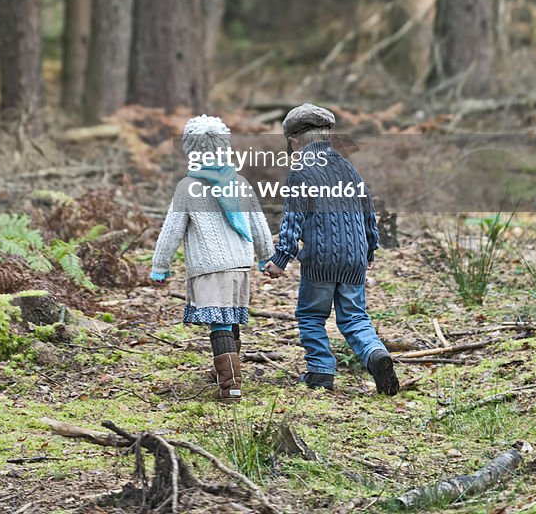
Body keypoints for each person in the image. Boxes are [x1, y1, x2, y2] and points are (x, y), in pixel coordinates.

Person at [262, 102, 399, 396]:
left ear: (294, 141)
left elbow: (293, 219)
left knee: (312, 316)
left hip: (321, 259)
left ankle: (320, 371)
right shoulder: (348, 167)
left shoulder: (301, 170)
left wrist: (280, 259)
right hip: (354, 258)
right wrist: (370, 250)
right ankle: (375, 355)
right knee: (354, 317)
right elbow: (367, 211)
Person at [151, 114, 275, 402]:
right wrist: (267, 255)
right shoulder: (240, 182)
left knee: (219, 322)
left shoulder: (187, 188)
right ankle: (227, 371)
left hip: (209, 266)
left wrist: (160, 266)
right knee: (230, 318)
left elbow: (171, 231)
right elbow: (258, 224)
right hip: (240, 265)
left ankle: (230, 383)